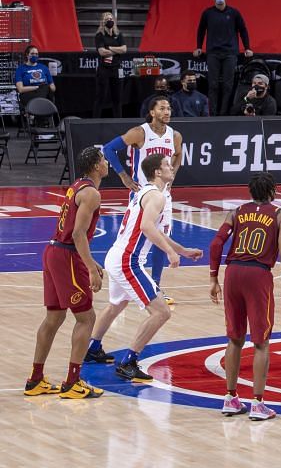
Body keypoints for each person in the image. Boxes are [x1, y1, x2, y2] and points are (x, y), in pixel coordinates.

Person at [88, 154, 202, 381]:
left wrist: (181, 249)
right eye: (167, 165)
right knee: (161, 312)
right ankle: (129, 361)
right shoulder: (157, 196)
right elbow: (147, 227)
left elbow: (154, 231)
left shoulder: (145, 192)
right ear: (158, 172)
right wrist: (169, 253)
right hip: (127, 260)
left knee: (115, 305)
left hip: (117, 255)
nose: (172, 168)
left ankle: (92, 348)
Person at [209, 173, 281, 420]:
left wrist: (213, 278)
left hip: (233, 273)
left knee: (235, 338)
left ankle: (230, 398)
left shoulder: (236, 212)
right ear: (274, 192)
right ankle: (258, 404)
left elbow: (217, 244)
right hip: (258, 276)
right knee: (261, 342)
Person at [24, 147, 108, 399]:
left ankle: (35, 379)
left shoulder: (77, 186)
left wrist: (91, 261)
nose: (107, 163)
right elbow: (78, 234)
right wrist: (90, 268)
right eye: (103, 160)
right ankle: (72, 382)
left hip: (53, 251)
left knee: (54, 318)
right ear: (95, 165)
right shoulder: (91, 193)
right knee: (86, 318)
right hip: (67, 255)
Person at [98, 96, 183, 307]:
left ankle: (155, 287)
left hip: (164, 196)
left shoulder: (175, 136)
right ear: (152, 112)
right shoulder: (140, 132)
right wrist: (123, 176)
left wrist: (172, 175)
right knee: (132, 236)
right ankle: (121, 277)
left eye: (169, 108)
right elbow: (108, 149)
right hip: (143, 194)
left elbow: (179, 155)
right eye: (162, 108)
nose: (167, 112)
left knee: (161, 240)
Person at [194, 0, 253, 116]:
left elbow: (243, 30)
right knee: (213, 85)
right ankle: (213, 115)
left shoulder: (234, 13)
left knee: (228, 86)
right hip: (213, 53)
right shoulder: (208, 13)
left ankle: (224, 113)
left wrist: (247, 47)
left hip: (230, 53)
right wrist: (199, 47)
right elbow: (201, 30)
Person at [93, 12, 127, 118]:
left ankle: (118, 121)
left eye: (111, 18)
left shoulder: (118, 34)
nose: (110, 20)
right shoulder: (99, 35)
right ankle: (95, 121)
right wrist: (117, 50)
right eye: (107, 19)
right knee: (101, 97)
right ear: (103, 22)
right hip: (104, 70)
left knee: (117, 98)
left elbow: (124, 49)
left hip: (117, 69)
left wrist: (110, 48)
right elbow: (102, 52)